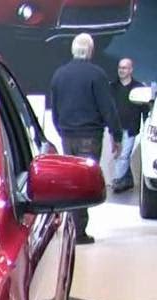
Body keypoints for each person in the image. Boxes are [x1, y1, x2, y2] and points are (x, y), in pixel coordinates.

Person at [48, 33, 122, 245]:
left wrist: (61, 129)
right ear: (90, 50)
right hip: (90, 136)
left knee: (71, 182)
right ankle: (78, 231)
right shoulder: (97, 74)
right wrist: (116, 135)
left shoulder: (59, 74)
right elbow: (108, 107)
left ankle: (72, 227)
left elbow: (55, 110)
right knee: (84, 182)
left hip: (67, 135)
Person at [110, 58, 144, 193]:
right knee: (120, 154)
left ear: (131, 70)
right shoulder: (112, 87)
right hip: (115, 127)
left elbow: (144, 108)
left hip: (131, 128)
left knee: (123, 155)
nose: (121, 70)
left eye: (124, 68)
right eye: (120, 67)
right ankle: (127, 180)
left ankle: (117, 180)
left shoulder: (139, 87)